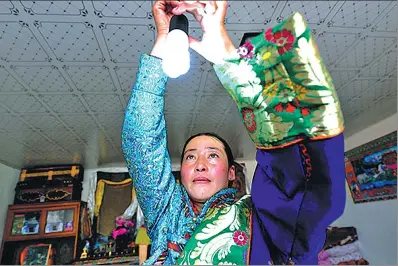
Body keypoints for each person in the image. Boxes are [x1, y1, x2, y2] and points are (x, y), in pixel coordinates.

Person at [122, 0, 346, 265]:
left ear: (231, 172)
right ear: (180, 171)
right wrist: (163, 39)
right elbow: (141, 140)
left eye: (213, 156)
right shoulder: (165, 210)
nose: (200, 165)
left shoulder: (258, 217)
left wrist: (230, 60)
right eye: (190, 157)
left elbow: (300, 180)